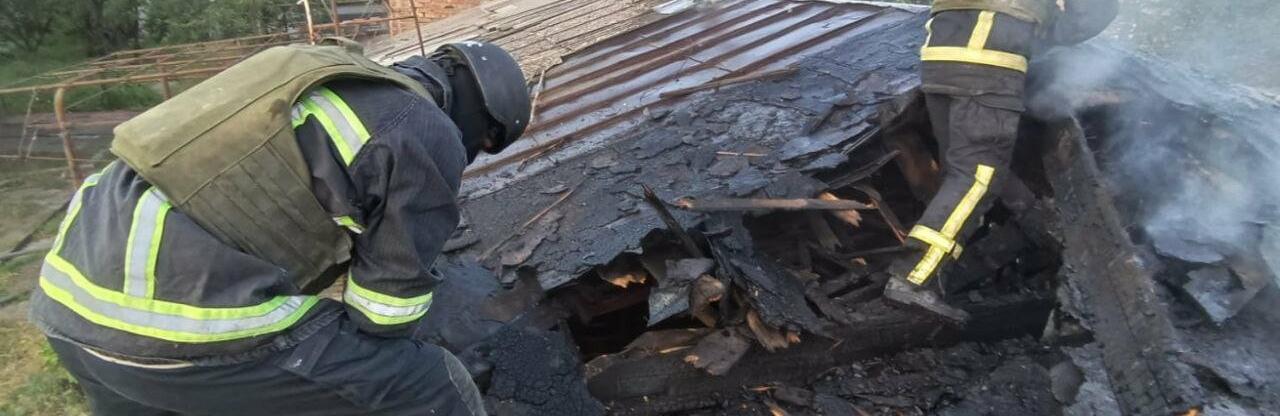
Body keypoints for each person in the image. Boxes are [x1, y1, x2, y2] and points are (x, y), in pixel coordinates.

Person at [28, 38, 530, 415]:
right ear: (485, 126)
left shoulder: (319, 67)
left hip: (67, 299)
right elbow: (384, 314)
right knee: (430, 384)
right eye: (485, 146)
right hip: (163, 326)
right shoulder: (426, 128)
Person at [884, 0, 1119, 321]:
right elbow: (1093, 11)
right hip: (989, 62)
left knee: (958, 176)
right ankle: (913, 276)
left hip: (940, 58)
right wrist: (1047, 31)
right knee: (976, 178)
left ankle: (936, 274)